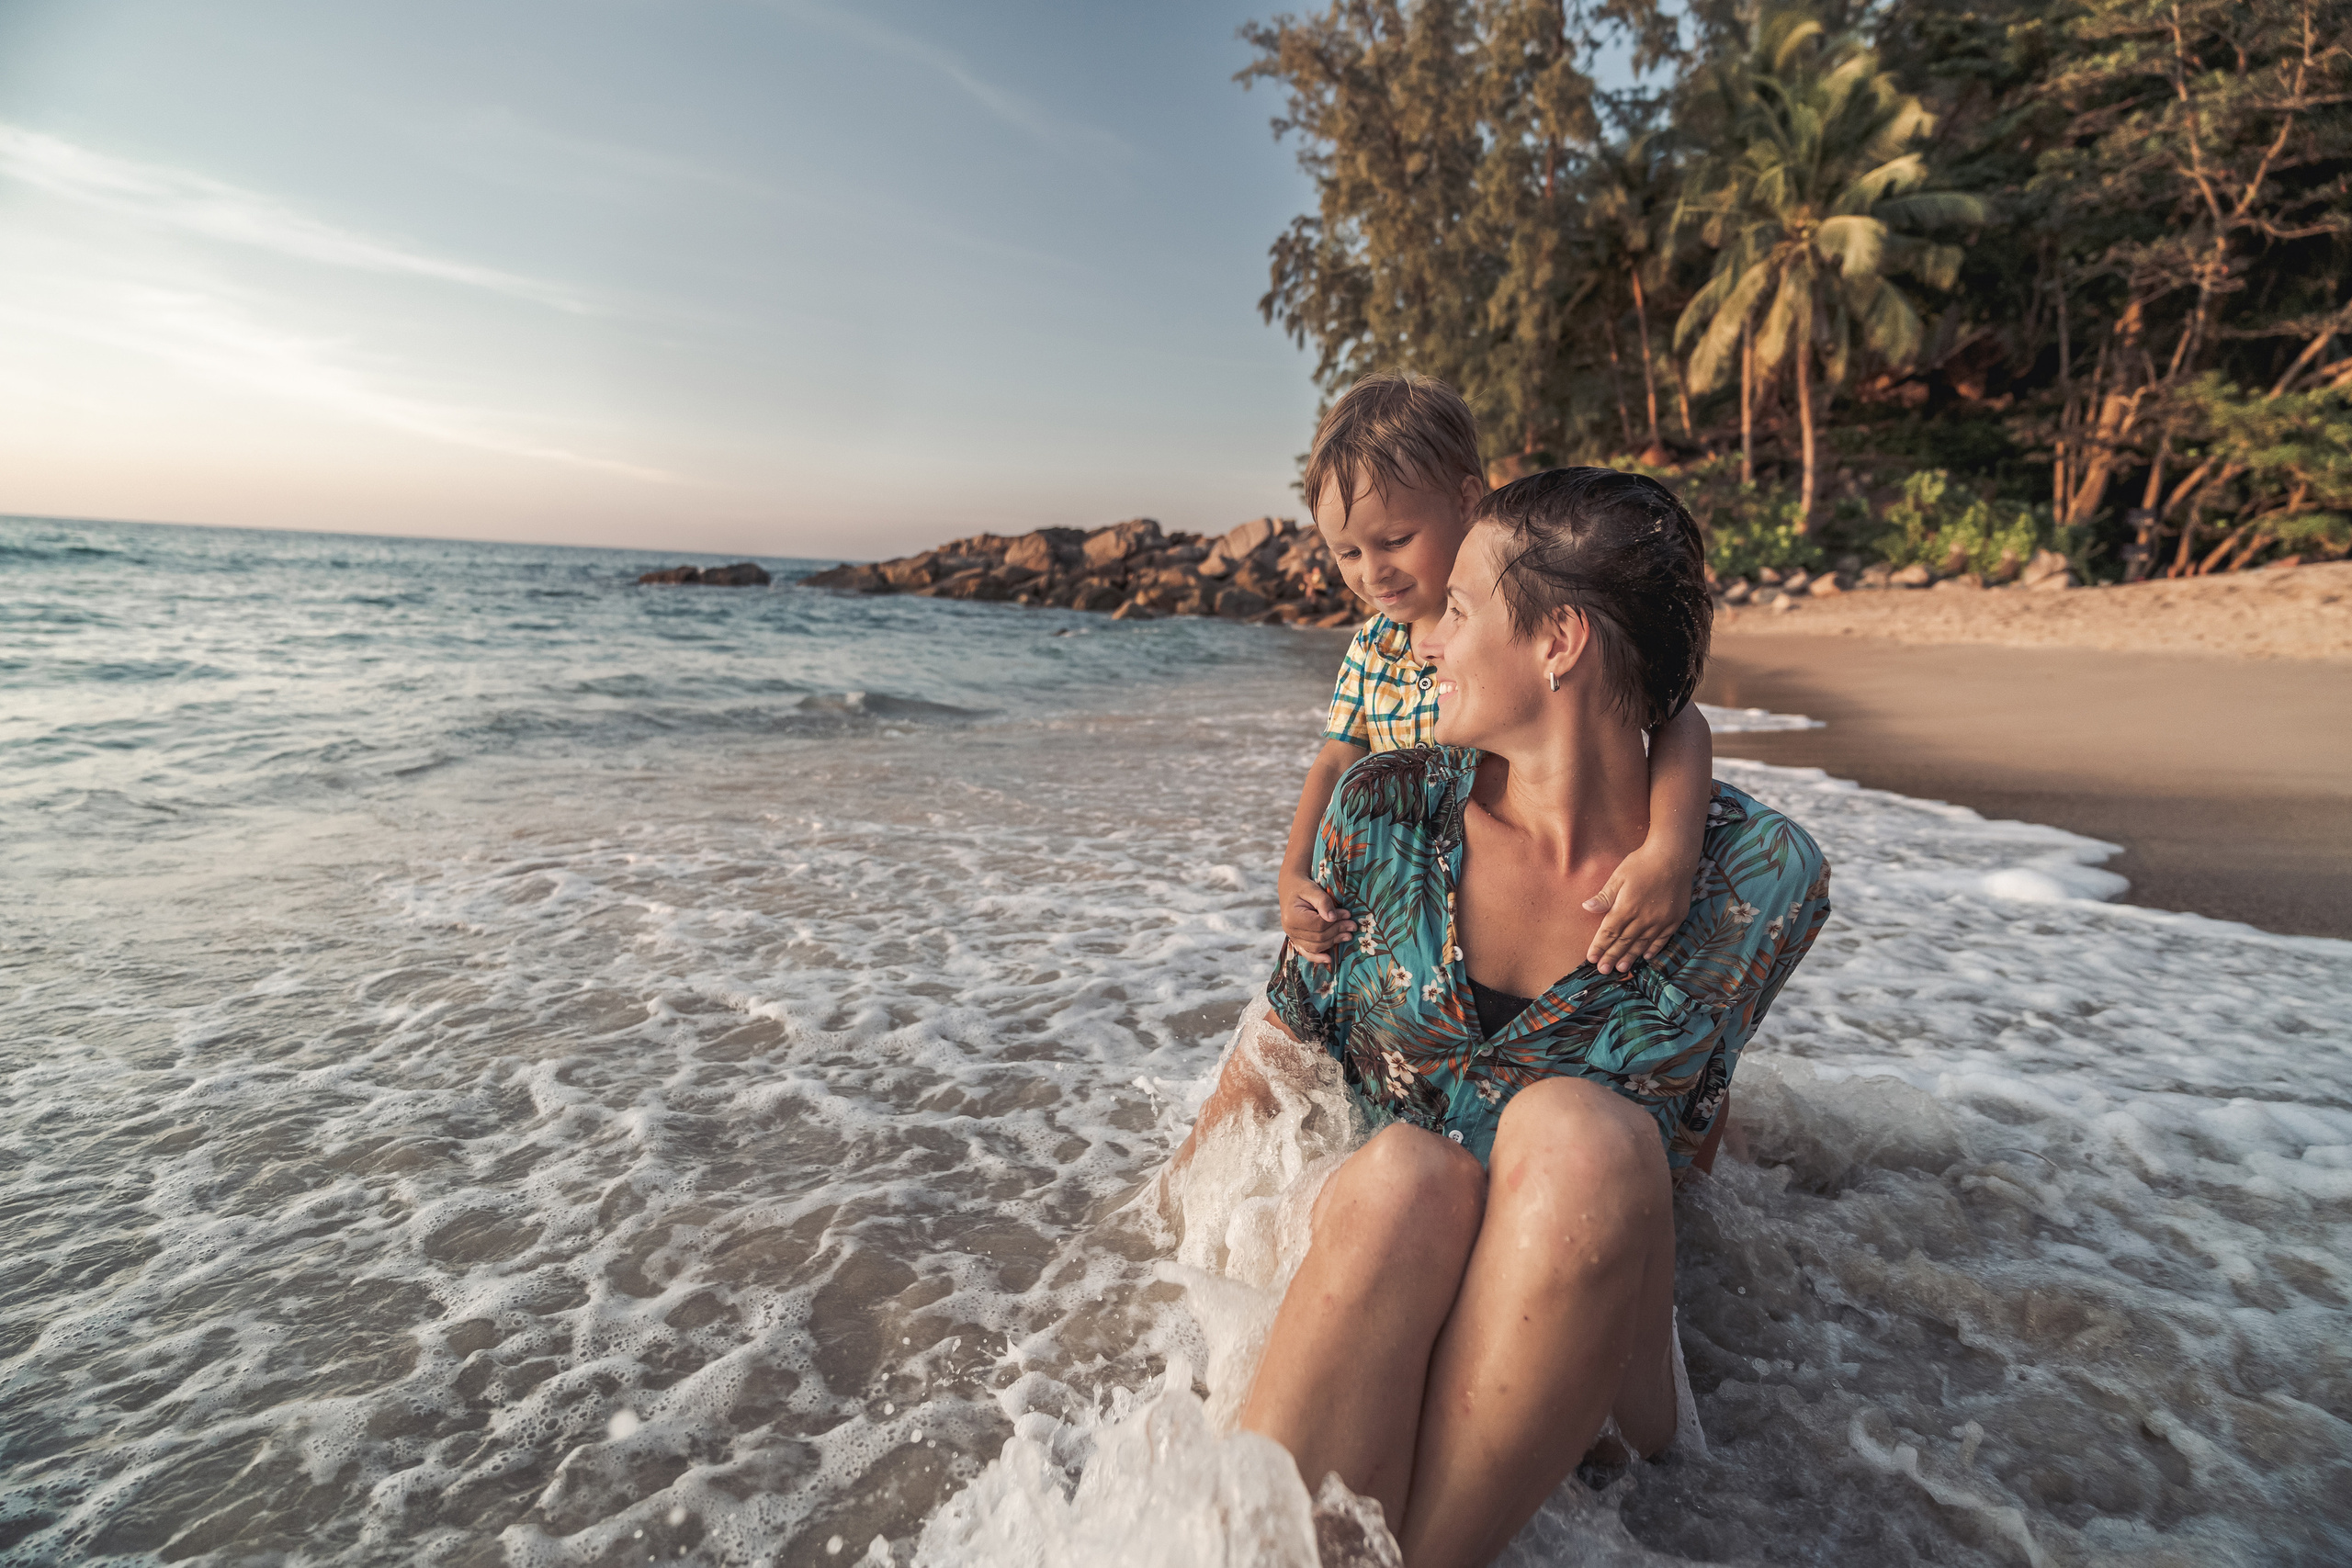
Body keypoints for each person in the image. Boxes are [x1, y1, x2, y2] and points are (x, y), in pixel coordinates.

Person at [1193, 467, 1831, 1568]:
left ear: (1559, 642)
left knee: (1580, 1134)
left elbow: (1690, 1119)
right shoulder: (1385, 813)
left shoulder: (1756, 879)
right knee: (1405, 1177)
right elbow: (1282, 1052)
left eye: (1459, 609)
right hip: (1389, 1285)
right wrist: (1160, 1237)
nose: (1425, 640)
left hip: (1583, 1335)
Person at [1281, 372, 1718, 980]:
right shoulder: (1371, 648)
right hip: (1405, 895)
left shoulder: (1525, 619)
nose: (1373, 573)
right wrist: (1294, 872)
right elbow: (1335, 761)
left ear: (1465, 502)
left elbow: (1674, 716)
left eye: (1395, 540)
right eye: (1348, 554)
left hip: (1513, 879)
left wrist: (1670, 848)